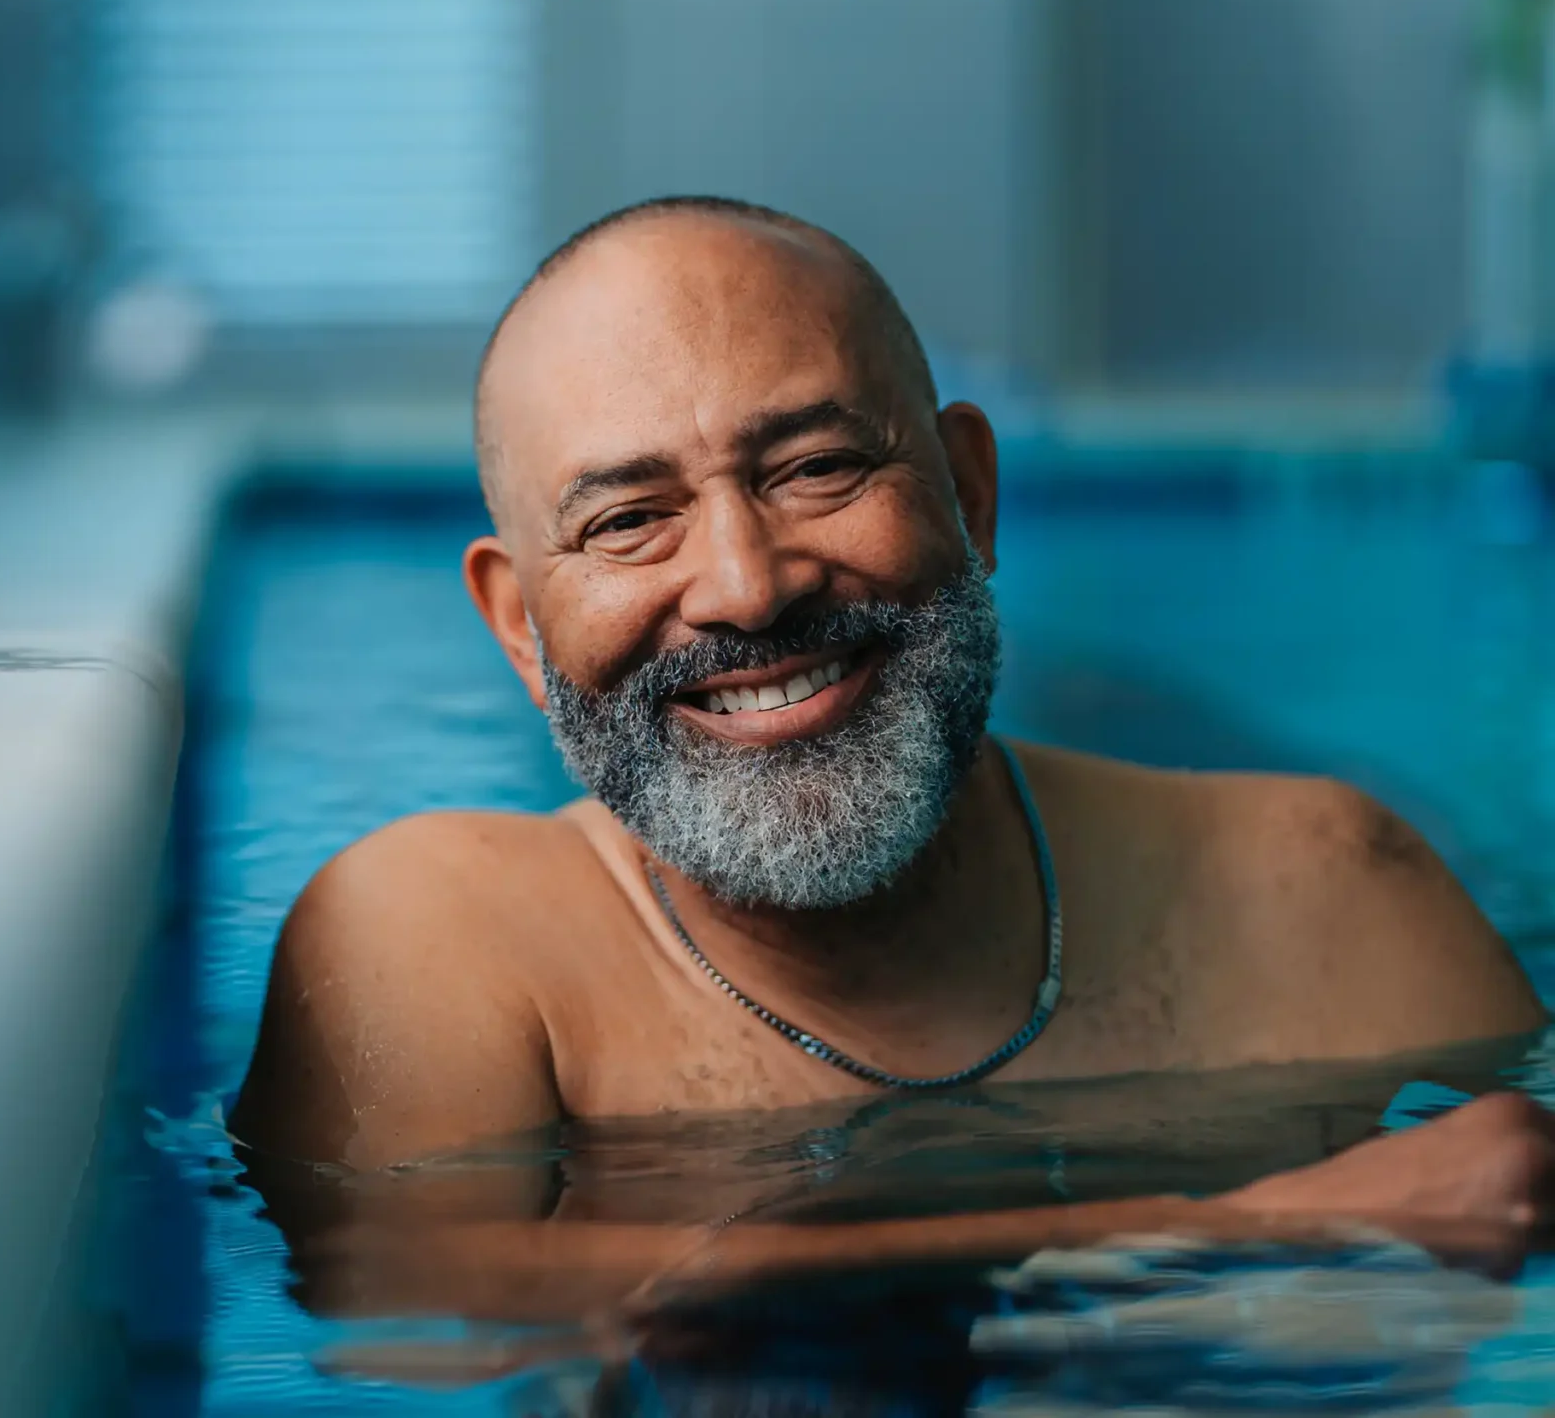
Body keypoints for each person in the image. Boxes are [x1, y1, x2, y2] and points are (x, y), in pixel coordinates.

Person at [228, 196, 1555, 1326]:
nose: (746, 589)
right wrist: (1240, 1224)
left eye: (816, 469)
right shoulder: (440, 935)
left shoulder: (1323, 890)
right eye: (631, 521)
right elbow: (406, 1302)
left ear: (970, 496)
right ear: (520, 624)